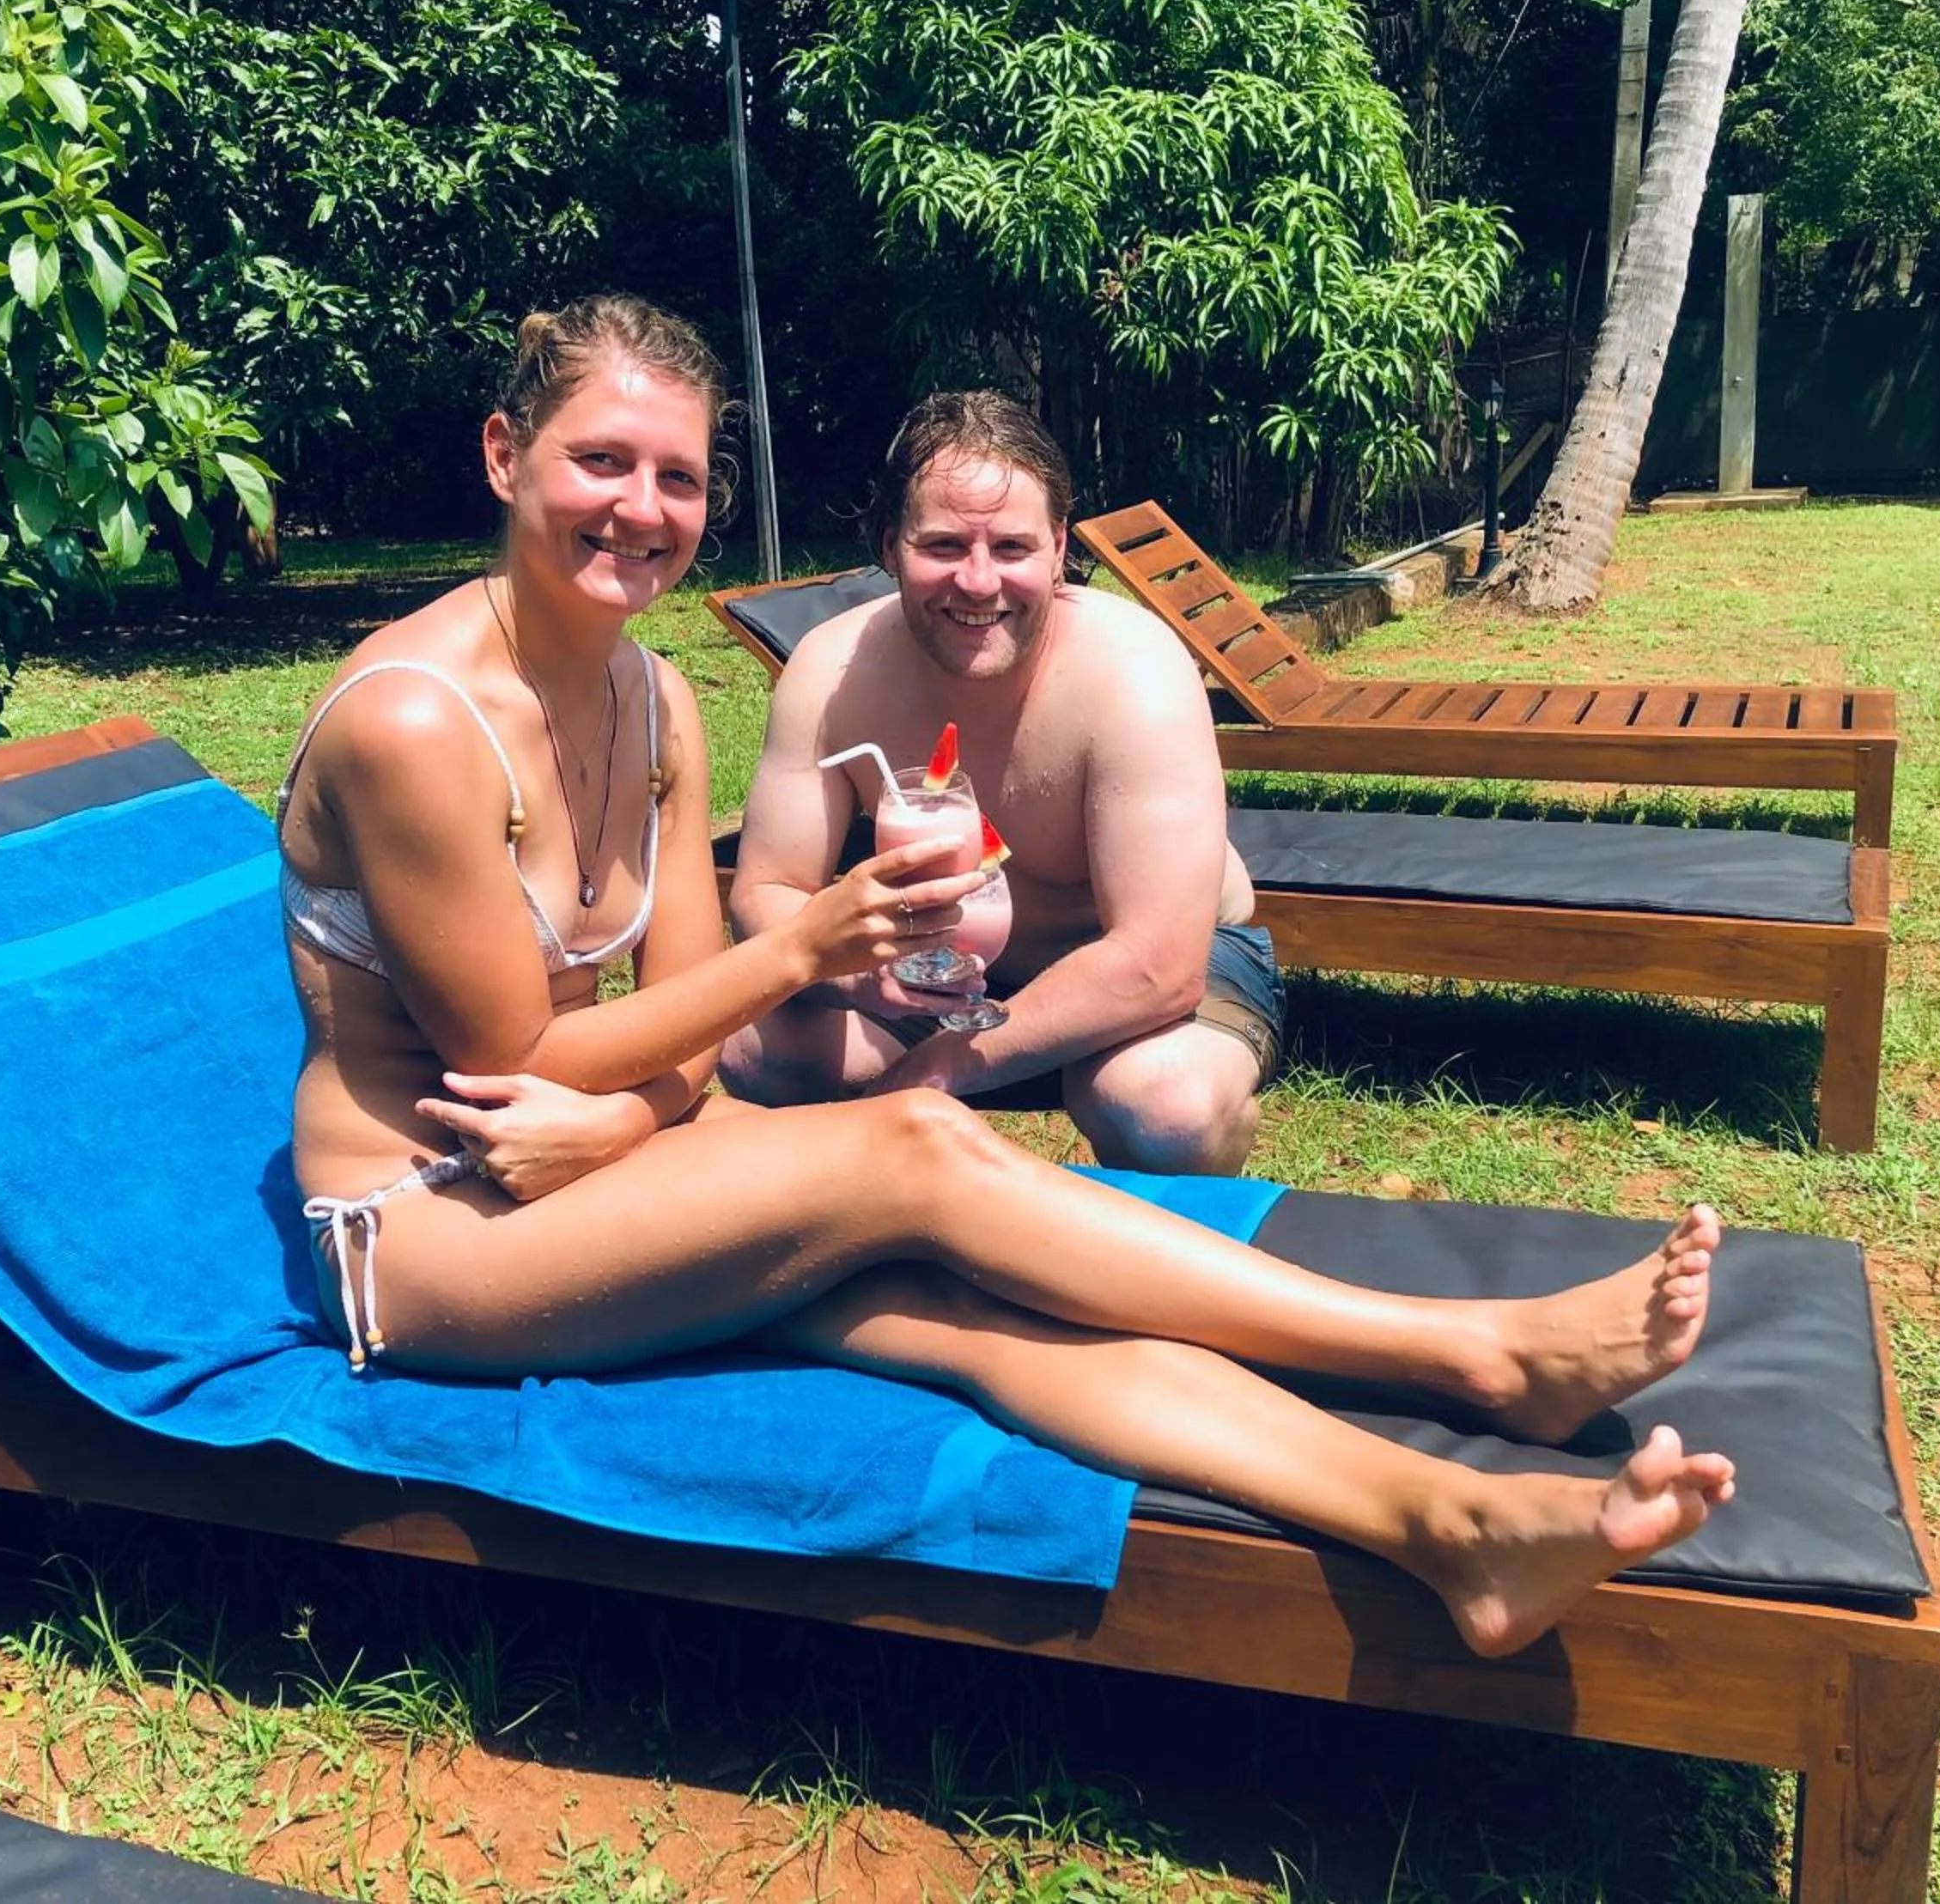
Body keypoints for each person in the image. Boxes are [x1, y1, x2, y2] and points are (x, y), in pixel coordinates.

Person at [276, 292, 1736, 1661]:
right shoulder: (416, 724)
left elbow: (688, 1030)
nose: (643, 508)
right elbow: (518, 1061)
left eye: (679, 476)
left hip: (598, 1156)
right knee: (918, 1146)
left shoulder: (654, 699)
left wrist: (635, 1111)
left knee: (984, 1317)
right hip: (422, 1223)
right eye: (602, 461)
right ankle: (1472, 1354)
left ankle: (1450, 1525)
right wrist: (800, 951)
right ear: (504, 455)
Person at [717, 393, 1279, 1176]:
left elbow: (1158, 963)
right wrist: (859, 975)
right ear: (890, 545)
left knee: (1163, 1105)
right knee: (758, 1051)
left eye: (1012, 547)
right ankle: (886, 1229)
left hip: (1144, 983)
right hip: (931, 978)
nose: (979, 582)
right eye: (944, 545)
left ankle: (1184, 1236)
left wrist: (938, 1071)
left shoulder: (1132, 670)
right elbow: (766, 891)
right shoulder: (830, 671)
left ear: (1058, 548)